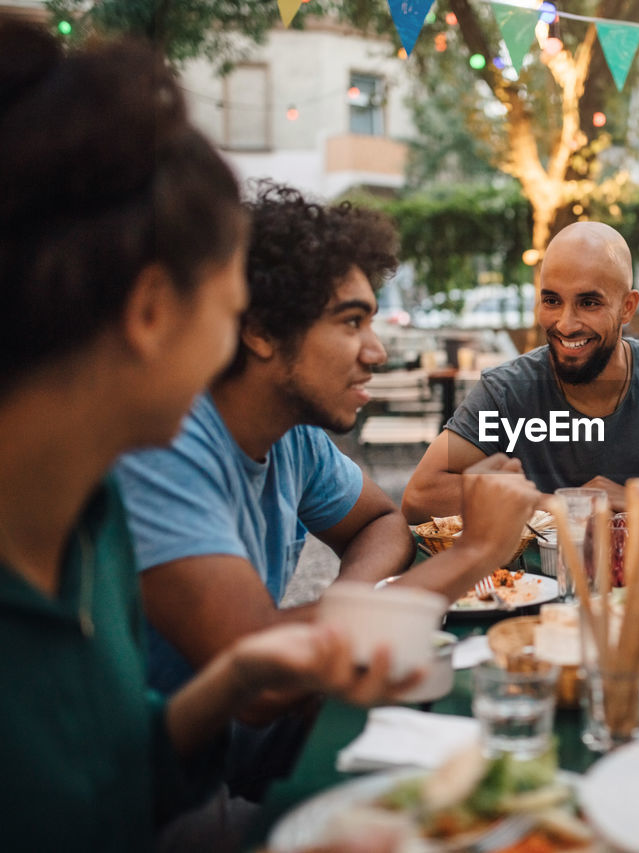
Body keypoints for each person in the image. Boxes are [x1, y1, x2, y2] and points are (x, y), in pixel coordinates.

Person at [0, 24, 414, 851]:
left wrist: (234, 678)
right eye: (227, 314)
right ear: (152, 313)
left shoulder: (90, 519)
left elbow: (116, 772)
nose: (230, 356)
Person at [112, 183, 540, 799]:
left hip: (245, 746)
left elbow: (381, 523)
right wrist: (472, 553)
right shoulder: (166, 448)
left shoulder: (291, 436)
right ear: (259, 330)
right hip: (164, 795)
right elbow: (260, 684)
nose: (377, 350)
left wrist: (348, 605)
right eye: (351, 321)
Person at [401, 221, 639, 518]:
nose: (565, 325)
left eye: (589, 303)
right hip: (536, 586)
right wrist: (558, 505)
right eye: (552, 300)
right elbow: (420, 495)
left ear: (627, 307)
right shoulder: (508, 392)